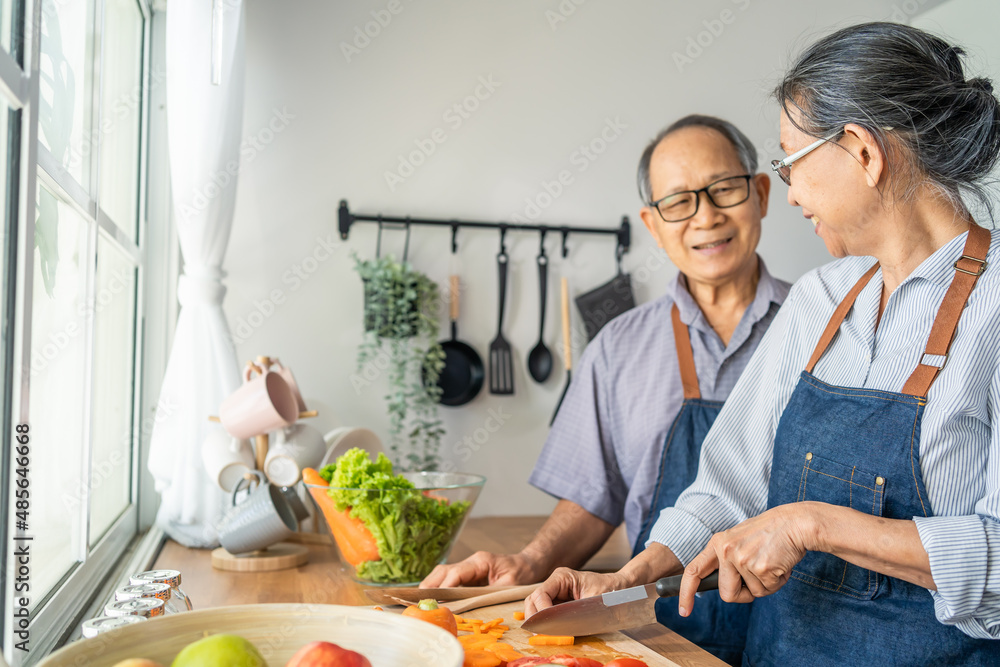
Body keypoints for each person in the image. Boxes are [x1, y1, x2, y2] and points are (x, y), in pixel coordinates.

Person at [525, 22, 1000, 665]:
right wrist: (630, 577)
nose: (792, 193)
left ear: (861, 151)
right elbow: (729, 485)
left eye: (790, 161)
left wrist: (812, 524)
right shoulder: (820, 300)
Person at [423, 114, 791, 664]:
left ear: (760, 192)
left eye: (725, 189)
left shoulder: (825, 328)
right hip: (652, 634)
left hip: (797, 636)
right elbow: (594, 499)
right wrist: (528, 563)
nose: (706, 217)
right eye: (678, 202)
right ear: (652, 222)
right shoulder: (619, 347)